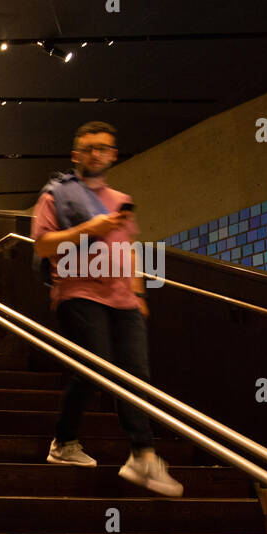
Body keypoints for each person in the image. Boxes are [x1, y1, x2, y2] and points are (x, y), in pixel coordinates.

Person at [32, 120, 182, 497]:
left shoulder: (120, 198)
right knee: (95, 369)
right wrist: (91, 227)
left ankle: (143, 455)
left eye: (103, 148)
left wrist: (139, 293)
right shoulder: (56, 196)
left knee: (135, 376)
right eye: (88, 148)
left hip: (123, 300)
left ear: (113, 155)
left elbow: (128, 249)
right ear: (75, 154)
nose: (96, 154)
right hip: (79, 293)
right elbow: (44, 246)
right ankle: (63, 443)